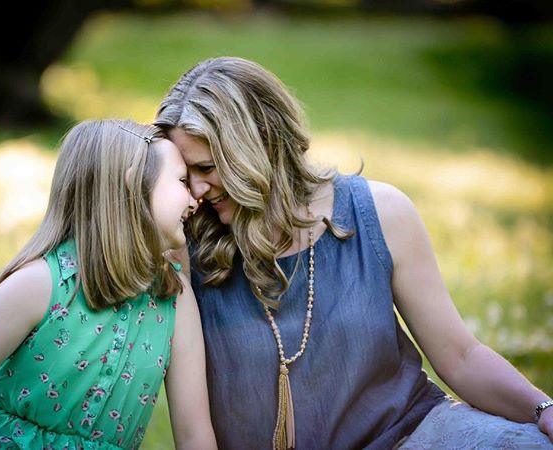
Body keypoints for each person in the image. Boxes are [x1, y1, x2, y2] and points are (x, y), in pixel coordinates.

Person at [154, 57, 553, 449]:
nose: (197, 191)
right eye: (186, 175)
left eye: (207, 168)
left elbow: (461, 357)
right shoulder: (185, 248)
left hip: (415, 436)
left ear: (261, 144)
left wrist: (543, 410)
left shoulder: (380, 212)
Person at [0, 119, 217, 450]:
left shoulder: (174, 298)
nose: (195, 198)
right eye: (183, 181)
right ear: (134, 185)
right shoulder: (40, 285)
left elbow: (194, 435)